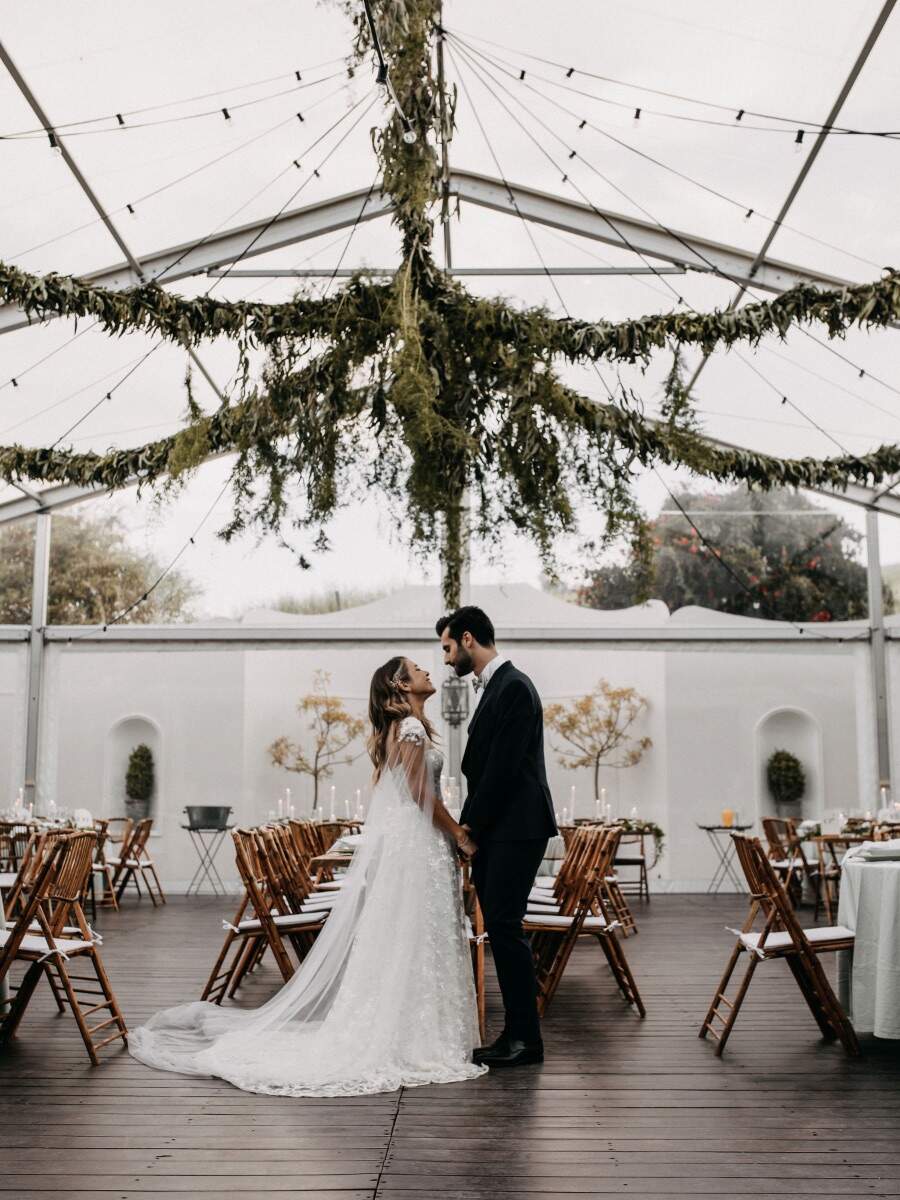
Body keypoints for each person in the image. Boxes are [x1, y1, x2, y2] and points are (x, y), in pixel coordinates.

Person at [128, 657, 487, 1097]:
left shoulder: (405, 728)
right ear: (400, 684)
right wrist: (458, 834)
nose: (428, 672)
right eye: (417, 668)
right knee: (413, 935)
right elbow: (417, 793)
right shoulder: (409, 729)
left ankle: (413, 1028)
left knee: (410, 938)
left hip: (415, 846)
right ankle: (415, 1036)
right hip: (417, 845)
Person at [437, 605, 557, 1068]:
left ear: (468, 639)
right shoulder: (501, 687)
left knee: (506, 928)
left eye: (448, 647)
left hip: (515, 827)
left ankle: (526, 1039)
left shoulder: (514, 687)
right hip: (504, 827)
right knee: (504, 928)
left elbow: (503, 772)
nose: (447, 659)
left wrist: (471, 829)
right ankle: (516, 1034)